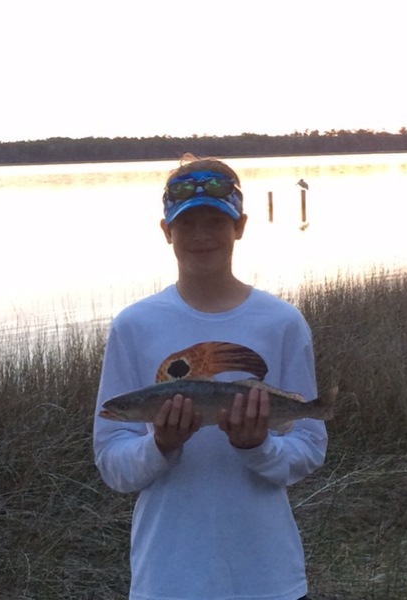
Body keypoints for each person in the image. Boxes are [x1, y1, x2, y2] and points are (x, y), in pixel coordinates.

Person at [93, 154, 327, 600]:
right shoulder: (133, 325)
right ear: (166, 231)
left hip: (268, 578)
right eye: (186, 223)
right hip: (166, 579)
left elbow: (309, 448)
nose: (201, 235)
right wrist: (160, 445)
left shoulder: (283, 322)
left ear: (240, 226)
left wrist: (257, 446)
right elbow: (112, 464)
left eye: (216, 221)